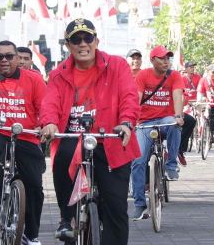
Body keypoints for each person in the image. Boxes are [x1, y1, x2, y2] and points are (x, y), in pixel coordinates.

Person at [40, 19, 140, 244]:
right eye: (76, 39)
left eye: (88, 38)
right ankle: (67, 218)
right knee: (62, 155)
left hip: (112, 141)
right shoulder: (58, 74)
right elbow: (50, 103)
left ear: (96, 41)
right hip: (74, 140)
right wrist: (50, 123)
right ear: (68, 45)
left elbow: (129, 97)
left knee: (115, 208)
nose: (82, 44)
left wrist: (126, 122)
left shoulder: (117, 65)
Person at [0, 40, 47, 245]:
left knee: (35, 186)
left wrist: (44, 125)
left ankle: (31, 235)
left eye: (9, 56)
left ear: (17, 57)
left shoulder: (34, 80)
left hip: (27, 136)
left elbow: (44, 108)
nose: (4, 60)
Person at [132, 45, 184, 220]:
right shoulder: (143, 75)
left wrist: (178, 116)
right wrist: (130, 121)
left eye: (168, 58)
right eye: (162, 58)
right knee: (138, 161)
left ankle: (171, 165)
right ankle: (139, 204)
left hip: (165, 120)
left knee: (175, 124)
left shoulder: (174, 75)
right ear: (152, 60)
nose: (166, 61)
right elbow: (136, 98)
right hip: (144, 122)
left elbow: (178, 96)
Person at [178, 61, 199, 166]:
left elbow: (201, 90)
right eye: (190, 67)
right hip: (166, 112)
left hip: (194, 102)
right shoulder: (180, 78)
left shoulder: (197, 77)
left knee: (191, 121)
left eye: (193, 67)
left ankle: (180, 149)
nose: (192, 68)